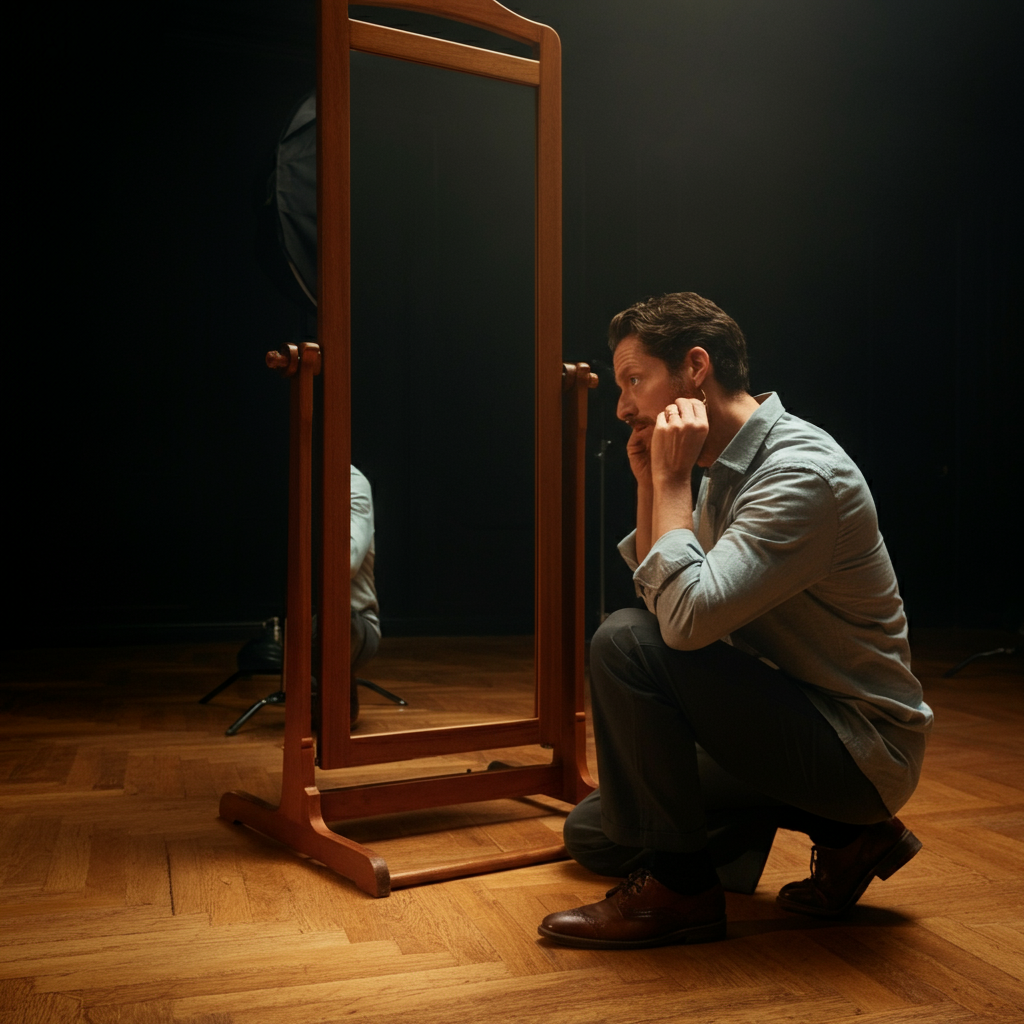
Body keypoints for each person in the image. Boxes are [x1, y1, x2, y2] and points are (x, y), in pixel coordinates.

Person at [538, 292, 933, 949]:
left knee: (622, 643)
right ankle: (851, 836)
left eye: (634, 381)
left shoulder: (799, 476)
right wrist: (649, 482)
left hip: (858, 748)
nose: (622, 407)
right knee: (595, 830)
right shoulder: (718, 470)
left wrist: (669, 489)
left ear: (696, 367)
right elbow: (667, 611)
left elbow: (676, 630)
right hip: (788, 717)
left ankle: (681, 893)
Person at [349, 464, 381, 723]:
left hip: (357, 623)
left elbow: (347, 563)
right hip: (301, 621)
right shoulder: (300, 481)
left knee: (333, 619)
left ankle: (333, 695)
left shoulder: (352, 481)